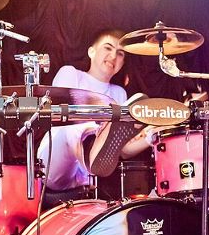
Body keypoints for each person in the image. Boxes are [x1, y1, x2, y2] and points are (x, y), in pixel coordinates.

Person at [37, 29, 150, 208]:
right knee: (70, 122)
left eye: (120, 53)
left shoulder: (119, 93)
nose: (114, 56)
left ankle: (94, 152)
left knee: (113, 132)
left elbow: (123, 150)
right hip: (54, 162)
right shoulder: (71, 74)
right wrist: (100, 128)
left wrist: (152, 137)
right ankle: (92, 152)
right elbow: (60, 118)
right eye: (108, 48)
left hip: (84, 178)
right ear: (91, 51)